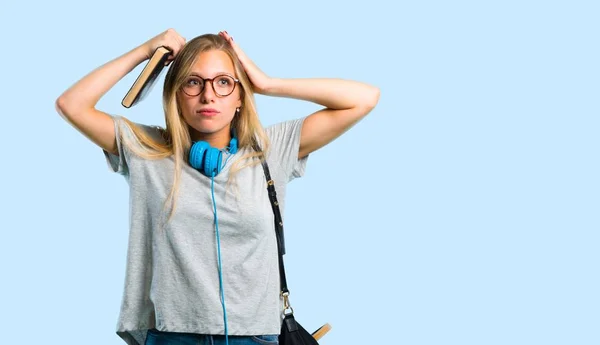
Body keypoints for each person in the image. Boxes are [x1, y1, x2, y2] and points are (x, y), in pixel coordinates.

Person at [55, 28, 380, 345]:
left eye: (224, 82)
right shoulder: (145, 150)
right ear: (175, 94)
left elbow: (364, 98)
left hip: (256, 336)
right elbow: (72, 104)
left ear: (240, 95)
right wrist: (146, 50)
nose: (208, 95)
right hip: (173, 337)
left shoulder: (271, 149)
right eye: (193, 82)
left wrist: (267, 83)